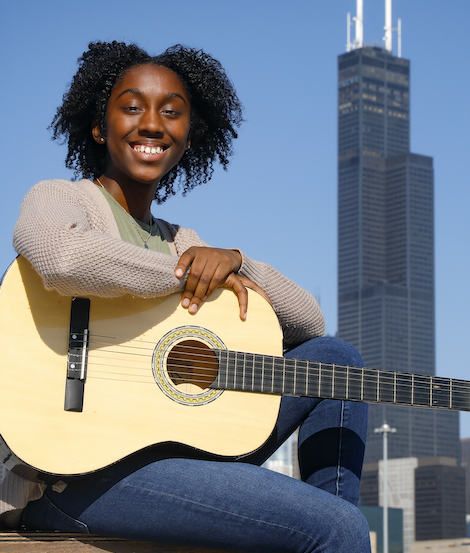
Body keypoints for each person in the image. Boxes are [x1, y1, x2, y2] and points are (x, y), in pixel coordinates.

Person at [1, 41, 371, 552]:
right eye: (131, 107)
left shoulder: (184, 241)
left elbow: (311, 321)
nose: (151, 124)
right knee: (339, 529)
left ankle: (326, 524)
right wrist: (182, 274)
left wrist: (238, 262)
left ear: (188, 138)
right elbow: (62, 256)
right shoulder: (61, 199)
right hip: (72, 474)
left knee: (336, 361)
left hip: (172, 455)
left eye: (171, 113)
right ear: (97, 126)